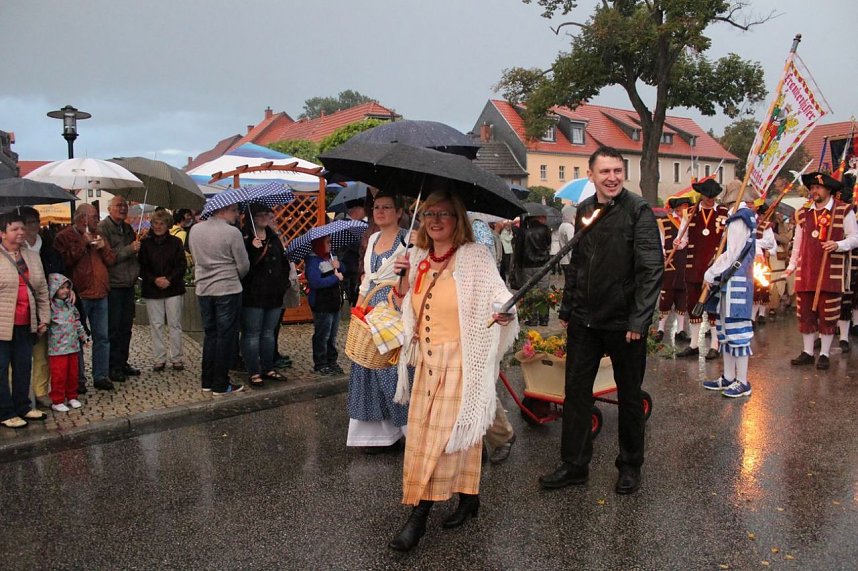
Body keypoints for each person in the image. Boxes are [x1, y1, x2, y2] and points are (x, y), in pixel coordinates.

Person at [388, 189, 518, 551]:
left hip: (461, 362)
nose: (435, 220)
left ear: (458, 218)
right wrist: (401, 278)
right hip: (427, 364)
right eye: (429, 214)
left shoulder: (473, 256)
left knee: (441, 442)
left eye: (443, 214)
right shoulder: (415, 256)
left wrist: (502, 311)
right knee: (430, 439)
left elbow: (496, 294)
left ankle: (418, 518)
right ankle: (470, 497)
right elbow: (403, 305)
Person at [540, 147, 662, 495]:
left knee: (628, 396)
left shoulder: (638, 211)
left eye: (617, 171)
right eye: (605, 171)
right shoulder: (585, 211)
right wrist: (567, 309)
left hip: (624, 324)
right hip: (585, 321)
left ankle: (629, 466)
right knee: (576, 393)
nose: (612, 177)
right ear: (591, 174)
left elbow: (651, 270)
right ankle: (575, 464)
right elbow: (576, 264)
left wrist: (639, 321)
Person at [347, 191, 409, 452]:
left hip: (395, 308)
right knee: (367, 368)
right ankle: (378, 435)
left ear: (398, 212)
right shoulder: (372, 238)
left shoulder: (408, 239)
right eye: (376, 207)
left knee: (393, 371)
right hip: (371, 306)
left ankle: (406, 429)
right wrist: (359, 309)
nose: (380, 212)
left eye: (386, 207)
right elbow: (367, 278)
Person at [784, 173, 858, 370]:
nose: (814, 191)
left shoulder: (843, 210)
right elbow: (798, 243)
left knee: (828, 314)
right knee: (805, 313)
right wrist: (791, 267)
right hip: (807, 270)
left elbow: (855, 238)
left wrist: (838, 244)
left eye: (818, 187)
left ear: (829, 190)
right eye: (812, 187)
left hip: (830, 271)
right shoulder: (803, 213)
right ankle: (808, 352)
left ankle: (824, 353)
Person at [188, 203, 250, 395]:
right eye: (234, 211)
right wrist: (232, 275)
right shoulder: (232, 233)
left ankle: (206, 380)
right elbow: (243, 264)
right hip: (227, 288)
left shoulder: (195, 230)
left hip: (204, 289)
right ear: (222, 210)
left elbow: (195, 257)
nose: (237, 215)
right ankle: (221, 383)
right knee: (226, 337)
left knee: (211, 334)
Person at [53, 204, 116, 391]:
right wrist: (83, 244)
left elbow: (111, 260)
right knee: (77, 337)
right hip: (79, 294)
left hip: (101, 292)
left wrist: (103, 248)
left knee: (102, 336)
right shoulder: (64, 236)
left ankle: (101, 375)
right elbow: (64, 262)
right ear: (82, 218)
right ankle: (78, 379)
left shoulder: (100, 234)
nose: (97, 219)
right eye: (94, 216)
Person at [700, 197, 757, 398]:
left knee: (737, 332)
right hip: (730, 281)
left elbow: (732, 255)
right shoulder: (738, 217)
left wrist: (712, 272)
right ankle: (729, 377)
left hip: (737, 282)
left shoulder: (739, 219)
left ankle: (742, 381)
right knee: (725, 331)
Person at [0, 211, 50, 428]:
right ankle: (5, 411)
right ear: (2, 233)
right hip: (2, 325)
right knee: (1, 369)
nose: (21, 232)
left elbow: (42, 290)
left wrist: (44, 319)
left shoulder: (31, 256)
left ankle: (23, 406)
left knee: (23, 366)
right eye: (14, 229)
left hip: (25, 323)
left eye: (22, 228)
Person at [674, 178, 729, 360]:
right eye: (707, 196)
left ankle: (715, 344)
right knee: (693, 305)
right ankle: (694, 345)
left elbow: (727, 241)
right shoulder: (689, 213)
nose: (710, 199)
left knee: (712, 307)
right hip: (693, 265)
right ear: (701, 195)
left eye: (713, 196)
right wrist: (678, 242)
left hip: (714, 265)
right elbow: (683, 239)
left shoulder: (724, 213)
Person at [19, 206, 65, 408]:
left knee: (42, 352)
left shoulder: (46, 246)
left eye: (36, 222)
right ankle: (17, 394)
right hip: (21, 306)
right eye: (29, 223)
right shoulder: (15, 250)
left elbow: (57, 272)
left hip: (43, 303)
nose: (33, 227)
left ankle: (40, 391)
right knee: (19, 354)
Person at [240, 204, 289, 386]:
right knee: (252, 334)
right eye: (260, 215)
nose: (265, 217)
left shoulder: (274, 238)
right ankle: (253, 371)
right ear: (252, 217)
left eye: (267, 214)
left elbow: (283, 263)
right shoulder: (244, 238)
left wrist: (283, 284)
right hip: (253, 294)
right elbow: (243, 267)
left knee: (269, 333)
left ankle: (268, 367)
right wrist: (252, 248)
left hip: (274, 294)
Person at [98, 196, 141, 383]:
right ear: (109, 208)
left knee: (126, 328)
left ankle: (122, 361)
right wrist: (130, 249)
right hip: (114, 284)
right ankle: (112, 366)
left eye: (124, 205)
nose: (123, 208)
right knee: (113, 328)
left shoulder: (127, 228)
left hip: (128, 283)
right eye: (118, 205)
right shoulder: (103, 228)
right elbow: (109, 257)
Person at [138, 208, 187, 372]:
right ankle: (159, 358)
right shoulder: (145, 243)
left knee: (174, 324)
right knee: (156, 325)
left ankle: (177, 358)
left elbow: (181, 265)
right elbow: (142, 267)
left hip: (173, 288)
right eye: (155, 223)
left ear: (168, 225)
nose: (158, 226)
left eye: (162, 223)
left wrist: (169, 279)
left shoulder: (175, 242)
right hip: (153, 289)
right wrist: (154, 280)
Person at [46, 273, 89, 412]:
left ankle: (72, 396)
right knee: (59, 375)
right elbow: (45, 323)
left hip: (73, 346)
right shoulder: (50, 307)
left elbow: (77, 322)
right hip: (57, 349)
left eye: (67, 288)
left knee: (73, 374)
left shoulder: (70, 305)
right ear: (54, 289)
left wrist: (84, 337)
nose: (65, 291)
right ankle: (57, 399)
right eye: (61, 288)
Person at [305, 235, 344, 375]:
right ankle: (320, 362)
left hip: (334, 302)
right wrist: (334, 278)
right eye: (327, 242)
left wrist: (339, 266)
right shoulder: (313, 261)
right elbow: (315, 282)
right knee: (323, 334)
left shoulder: (331, 256)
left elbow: (342, 270)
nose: (330, 245)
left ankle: (331, 360)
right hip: (322, 304)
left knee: (332, 335)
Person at [656, 196, 691, 343]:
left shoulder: (690, 222)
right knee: (666, 296)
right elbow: (660, 241)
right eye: (683, 207)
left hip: (684, 264)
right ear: (677, 208)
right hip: (670, 264)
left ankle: (680, 330)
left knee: (682, 296)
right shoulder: (664, 222)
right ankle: (660, 329)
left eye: (687, 207)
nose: (685, 210)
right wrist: (663, 255)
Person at [518, 213, 551, 325]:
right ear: (538, 217)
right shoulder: (545, 229)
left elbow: (519, 250)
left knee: (529, 292)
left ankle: (532, 319)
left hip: (527, 265)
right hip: (543, 265)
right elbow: (548, 243)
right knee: (543, 292)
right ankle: (544, 319)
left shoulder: (523, 231)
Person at [339, 199, 366, 307]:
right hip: (345, 265)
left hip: (357, 267)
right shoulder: (343, 225)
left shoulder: (363, 225)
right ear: (357, 210)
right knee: (347, 290)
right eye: (363, 209)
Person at [557, 205, 576, 275]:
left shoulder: (562, 225)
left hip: (563, 260)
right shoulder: (569, 227)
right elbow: (572, 244)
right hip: (569, 260)